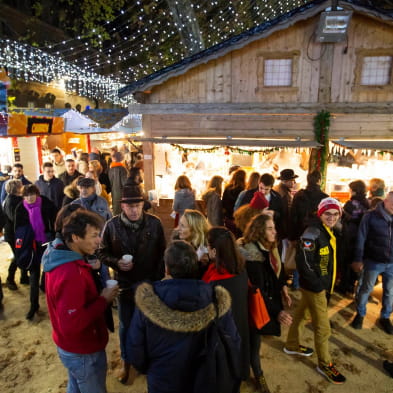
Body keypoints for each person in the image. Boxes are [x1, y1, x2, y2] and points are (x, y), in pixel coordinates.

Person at [126, 240, 240, 393]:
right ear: (195, 265)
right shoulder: (216, 299)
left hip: (162, 380)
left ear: (167, 269)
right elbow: (233, 340)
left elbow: (135, 349)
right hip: (206, 381)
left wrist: (152, 369)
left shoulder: (148, 300)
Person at [43, 209, 118, 393]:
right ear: (76, 238)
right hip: (82, 350)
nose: (99, 240)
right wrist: (104, 299)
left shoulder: (59, 254)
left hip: (69, 346)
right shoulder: (70, 273)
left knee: (76, 386)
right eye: (94, 235)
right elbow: (73, 323)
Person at [97, 186, 166, 384]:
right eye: (130, 206)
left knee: (150, 325)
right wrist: (117, 262)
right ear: (122, 206)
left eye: (137, 205)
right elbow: (101, 252)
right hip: (125, 285)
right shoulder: (111, 226)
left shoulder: (155, 223)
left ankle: (146, 360)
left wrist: (157, 280)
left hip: (149, 284)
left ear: (143, 205)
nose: (134, 210)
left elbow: (162, 252)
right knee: (126, 326)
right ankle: (127, 363)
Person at [284, 197, 346, 384]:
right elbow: (304, 263)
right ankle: (325, 364)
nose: (332, 217)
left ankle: (292, 344)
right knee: (323, 328)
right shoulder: (312, 232)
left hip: (318, 285)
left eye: (336, 214)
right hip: (315, 287)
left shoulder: (328, 231)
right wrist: (318, 285)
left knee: (302, 314)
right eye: (328, 213)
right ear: (320, 214)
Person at [237, 214, 292, 393]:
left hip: (267, 300)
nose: (274, 231)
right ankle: (256, 374)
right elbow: (257, 291)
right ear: (259, 230)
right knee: (253, 342)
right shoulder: (252, 256)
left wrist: (283, 286)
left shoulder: (270, 247)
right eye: (270, 228)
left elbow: (279, 268)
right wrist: (277, 312)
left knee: (255, 340)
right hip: (252, 306)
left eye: (274, 227)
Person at [203, 227, 249, 384]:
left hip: (223, 339)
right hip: (241, 328)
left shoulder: (215, 280)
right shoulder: (240, 269)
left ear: (214, 251)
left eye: (207, 246)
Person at [351, 191, 393, 335]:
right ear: (386, 201)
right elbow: (361, 238)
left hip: (392, 262)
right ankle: (360, 314)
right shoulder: (370, 216)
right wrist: (358, 258)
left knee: (389, 291)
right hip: (374, 260)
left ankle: (385, 317)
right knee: (366, 288)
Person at [14, 184, 56, 319]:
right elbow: (18, 229)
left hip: (47, 241)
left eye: (31, 194)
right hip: (31, 245)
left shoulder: (46, 203)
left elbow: (56, 218)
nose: (29, 198)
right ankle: (34, 305)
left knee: (49, 270)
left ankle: (48, 293)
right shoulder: (20, 208)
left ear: (37, 194)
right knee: (33, 274)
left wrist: (55, 234)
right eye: (26, 195)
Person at [288, 170, 328, 289]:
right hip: (317, 234)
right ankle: (311, 283)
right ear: (319, 181)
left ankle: (296, 283)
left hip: (300, 232)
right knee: (314, 258)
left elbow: (293, 217)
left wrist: (293, 236)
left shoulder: (299, 195)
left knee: (300, 257)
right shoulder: (324, 197)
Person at [337, 180, 369, 295]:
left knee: (345, 261)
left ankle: (343, 286)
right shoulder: (366, 203)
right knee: (354, 260)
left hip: (349, 235)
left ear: (354, 190)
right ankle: (351, 285)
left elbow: (343, 218)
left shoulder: (351, 204)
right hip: (361, 236)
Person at [2, 179, 25, 290]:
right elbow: (14, 218)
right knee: (18, 255)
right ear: (16, 188)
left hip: (17, 233)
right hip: (13, 234)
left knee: (22, 253)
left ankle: (24, 277)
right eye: (20, 185)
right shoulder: (11, 201)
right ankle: (10, 279)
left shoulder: (15, 199)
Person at [222, 169, 246, 234]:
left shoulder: (227, 188)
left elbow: (223, 202)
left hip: (228, 217)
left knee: (229, 235)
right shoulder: (243, 190)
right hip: (238, 218)